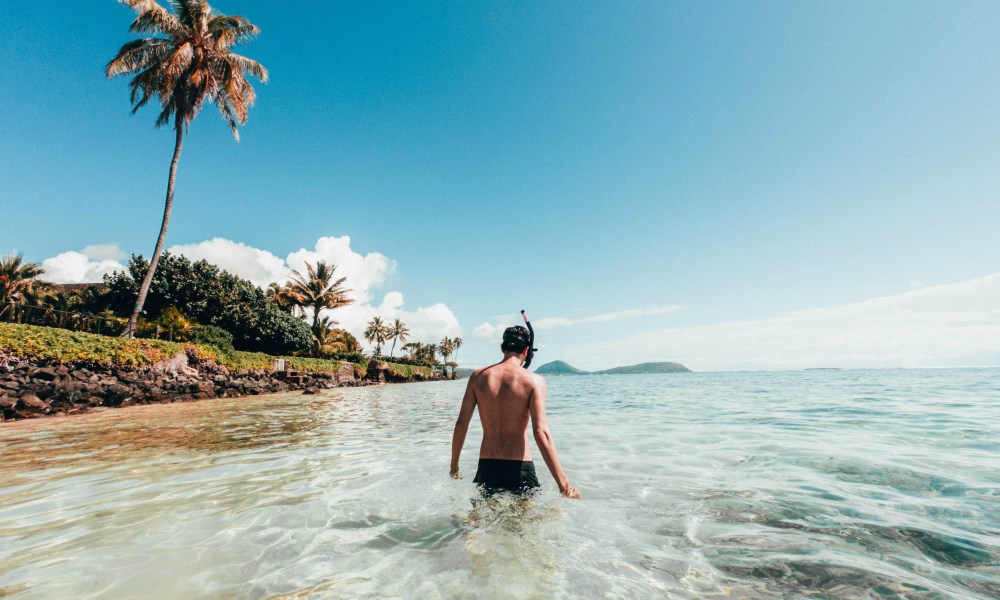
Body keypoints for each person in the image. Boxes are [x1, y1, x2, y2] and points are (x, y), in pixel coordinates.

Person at [450, 325, 580, 499]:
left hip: (487, 466)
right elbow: (541, 433)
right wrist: (564, 485)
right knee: (525, 525)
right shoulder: (534, 380)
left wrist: (454, 467)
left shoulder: (478, 377)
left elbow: (461, 425)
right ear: (526, 350)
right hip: (520, 467)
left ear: (503, 348)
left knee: (483, 524)